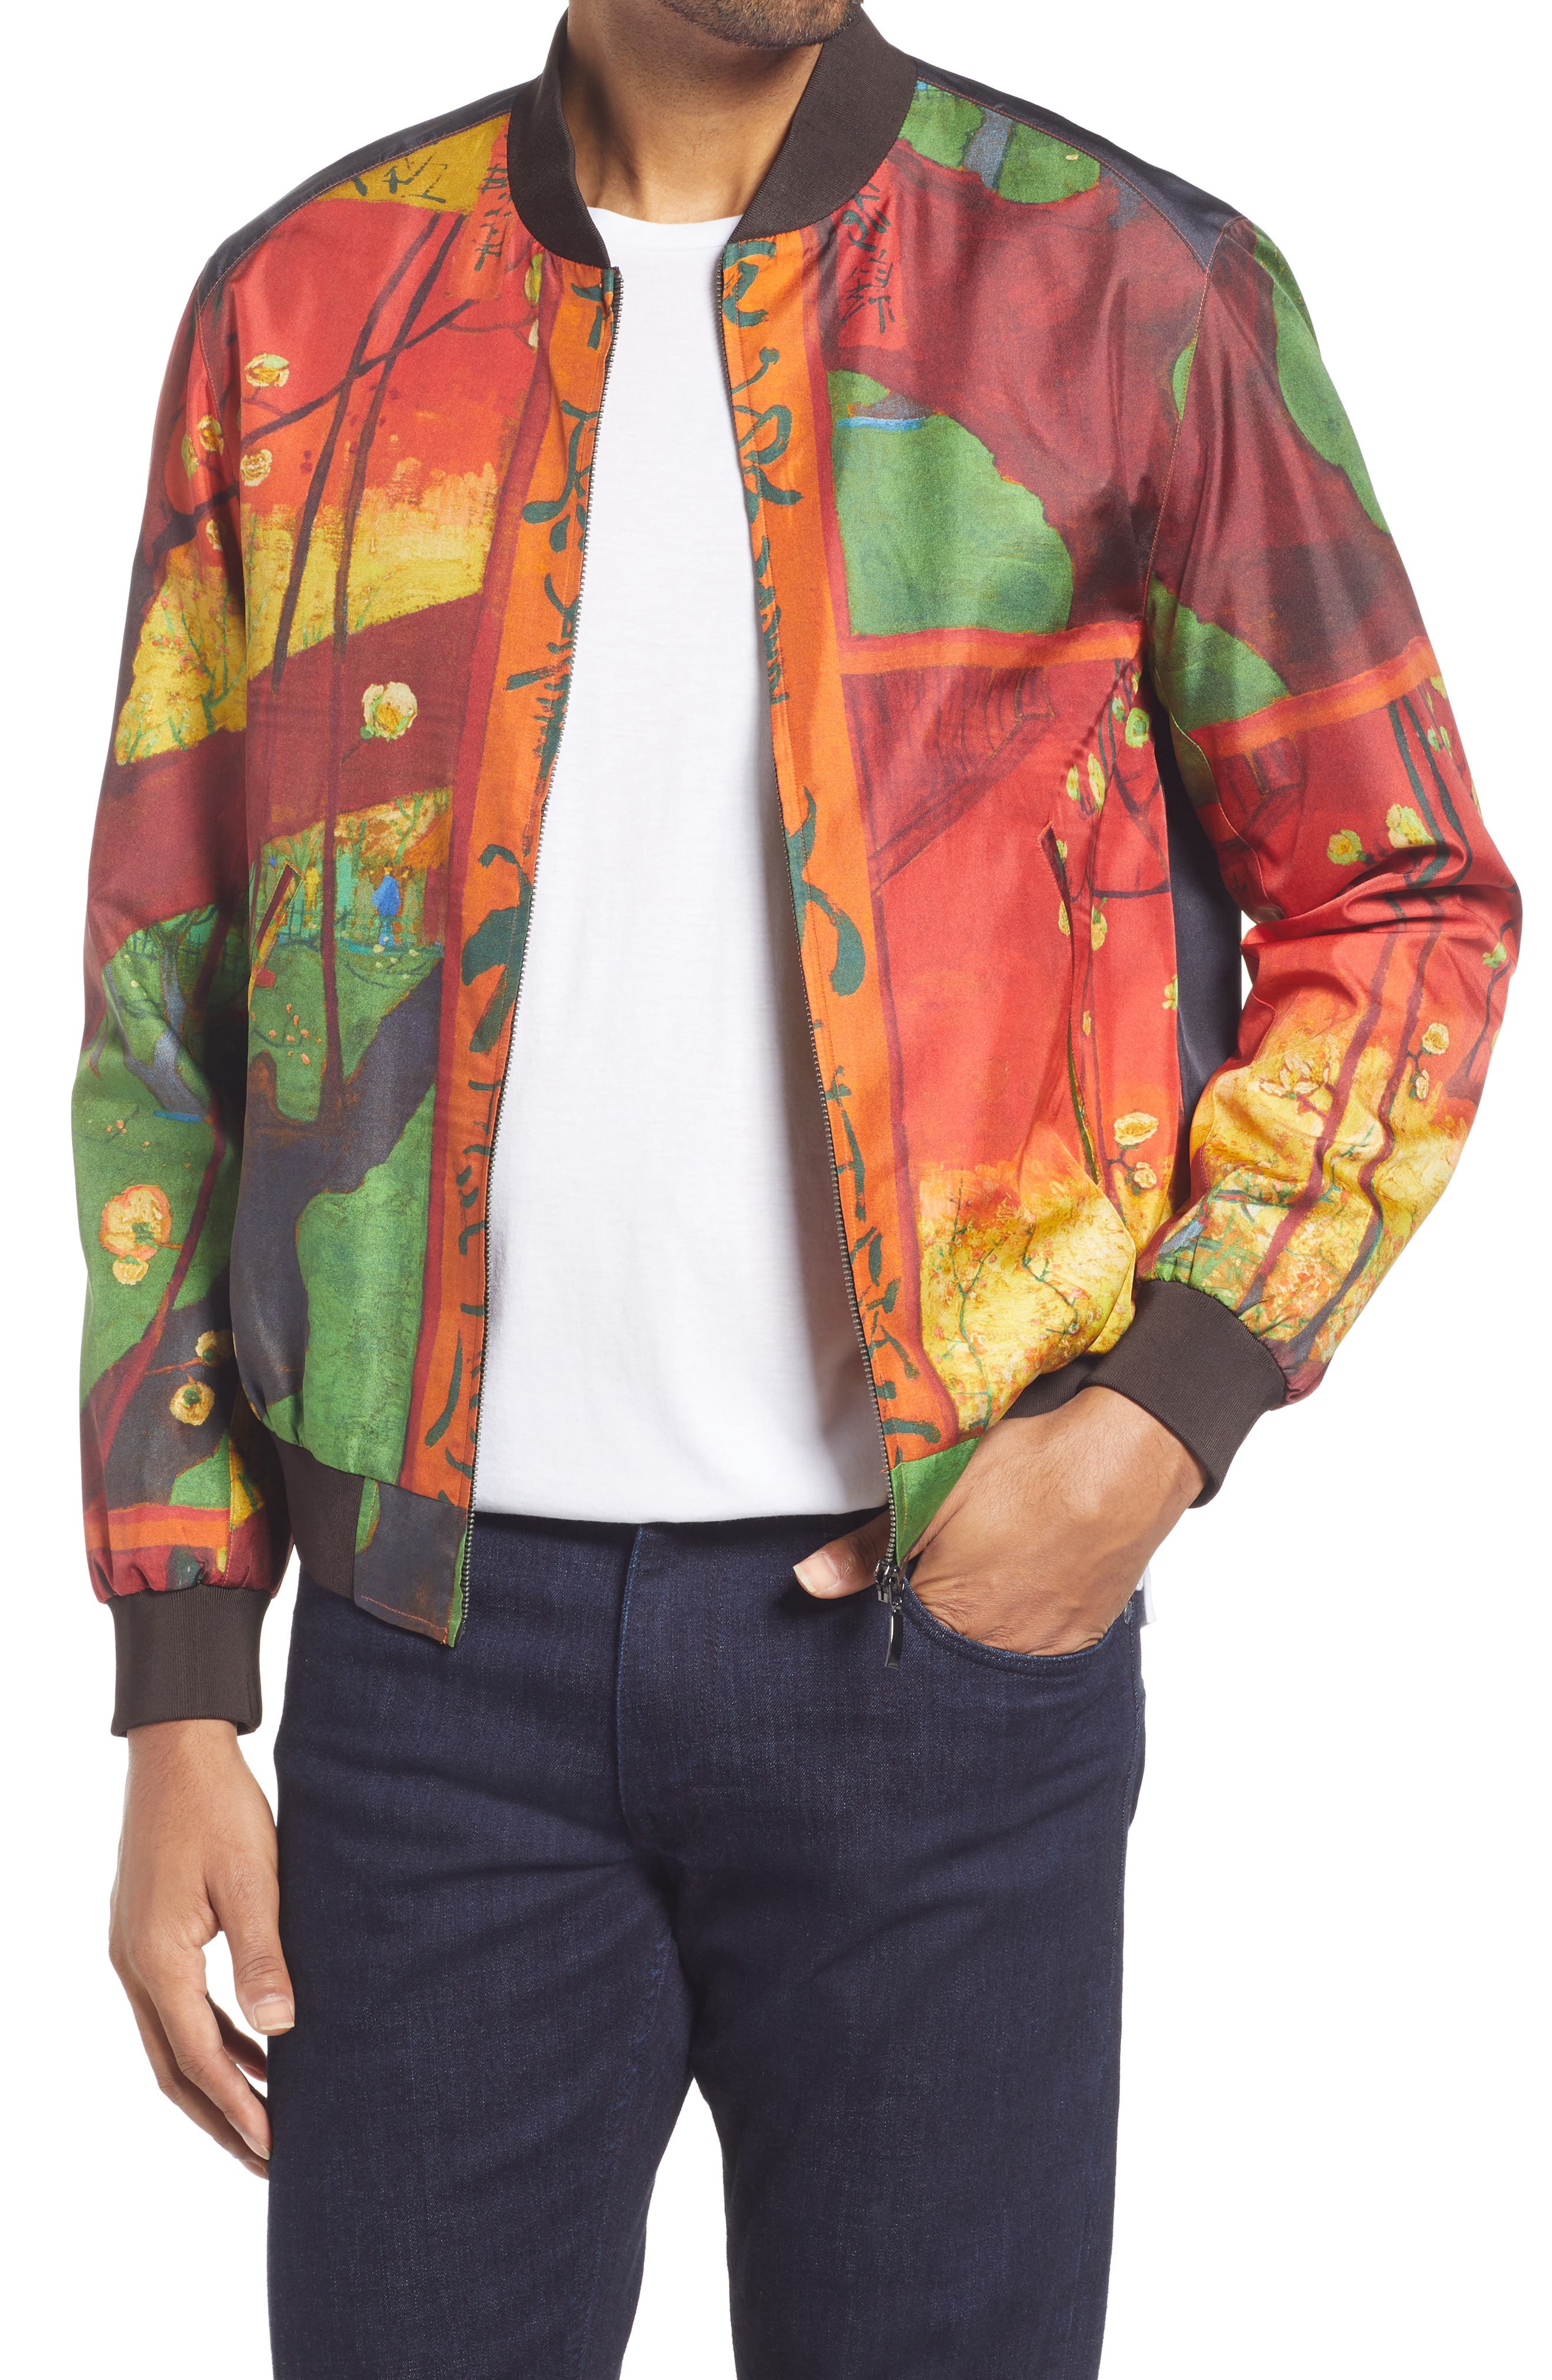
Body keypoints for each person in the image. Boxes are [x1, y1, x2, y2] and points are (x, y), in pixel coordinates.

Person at [76, 4, 1519, 2374]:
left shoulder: (1129, 289)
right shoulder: (310, 309)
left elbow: (1407, 896)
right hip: (426, 1685)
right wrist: (176, 1679)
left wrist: (1162, 1417)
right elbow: (170, 1003)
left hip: (939, 1656)